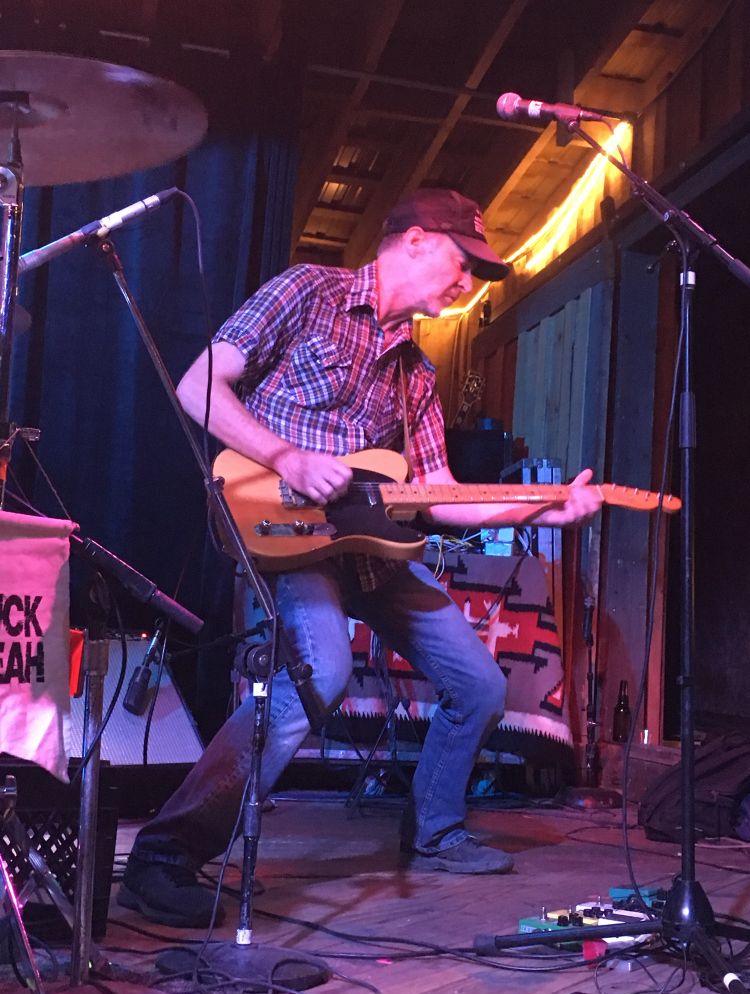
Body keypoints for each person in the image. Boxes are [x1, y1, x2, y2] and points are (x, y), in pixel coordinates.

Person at [118, 188, 602, 928]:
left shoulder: (419, 374)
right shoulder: (309, 291)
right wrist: (288, 455)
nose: (467, 283)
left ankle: (435, 831)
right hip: (283, 529)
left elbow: (439, 497)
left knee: (478, 684)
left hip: (369, 549)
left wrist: (544, 507)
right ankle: (166, 854)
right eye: (462, 261)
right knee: (324, 672)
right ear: (412, 240)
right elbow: (197, 385)